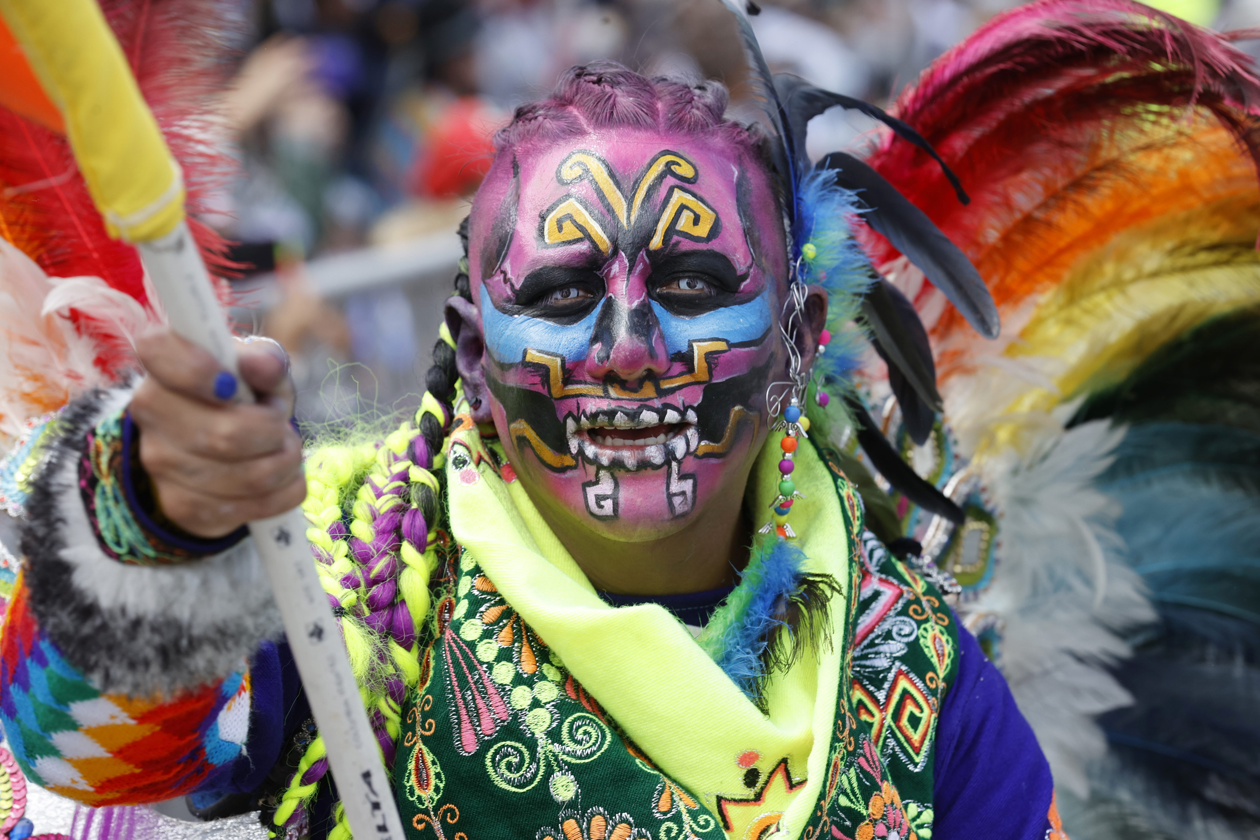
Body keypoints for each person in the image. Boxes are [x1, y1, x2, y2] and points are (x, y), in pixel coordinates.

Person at [0, 59, 1064, 840]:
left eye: (694, 284)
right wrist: (157, 526)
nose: (632, 350)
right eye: (559, 296)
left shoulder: (918, 678)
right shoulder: (337, 581)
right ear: (472, 353)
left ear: (799, 340)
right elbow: (73, 752)